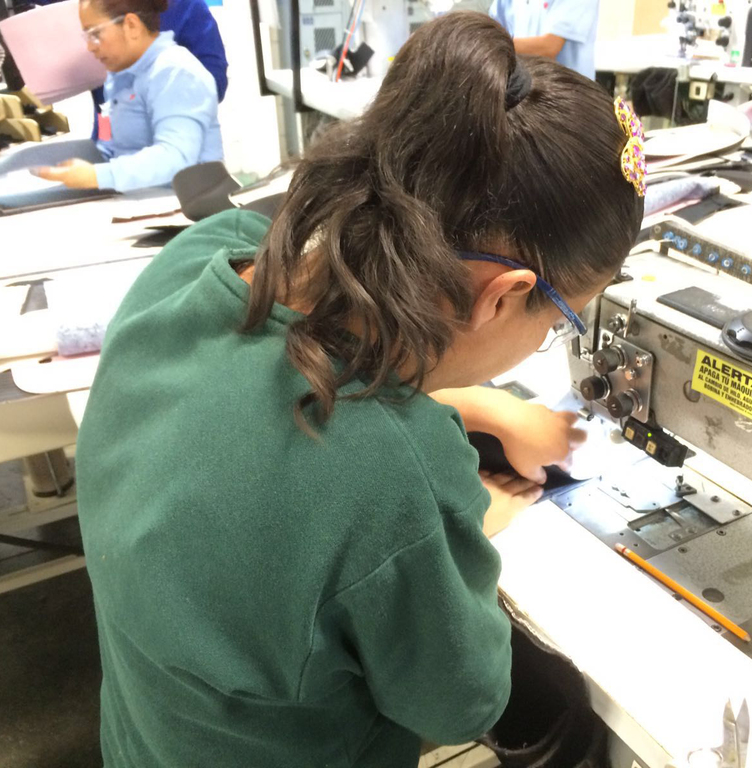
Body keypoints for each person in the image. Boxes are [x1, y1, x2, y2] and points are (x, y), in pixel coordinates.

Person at [76, 11, 643, 768]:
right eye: (563, 319)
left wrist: (485, 408)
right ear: (503, 296)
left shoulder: (193, 264)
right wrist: (454, 527)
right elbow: (463, 703)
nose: (550, 340)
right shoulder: (391, 482)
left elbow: (269, 420)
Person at [33, 0, 223, 191]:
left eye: (95, 34)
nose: (89, 47)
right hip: (136, 197)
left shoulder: (175, 73)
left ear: (131, 25)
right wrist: (74, 161)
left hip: (183, 201)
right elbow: (107, 138)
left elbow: (176, 158)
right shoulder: (115, 79)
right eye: (86, 36)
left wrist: (97, 175)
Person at [489, 0, 600, 80]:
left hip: (568, 95)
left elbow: (549, 47)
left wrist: (492, 45)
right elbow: (492, 30)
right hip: (524, 91)